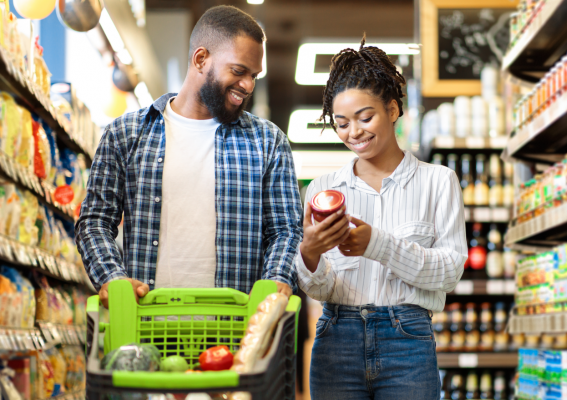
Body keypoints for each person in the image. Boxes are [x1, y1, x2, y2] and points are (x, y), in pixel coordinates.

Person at [76, 6, 303, 308]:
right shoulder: (125, 134)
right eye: (238, 71)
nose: (248, 85)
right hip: (145, 326)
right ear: (200, 59)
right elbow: (94, 222)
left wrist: (277, 279)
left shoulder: (268, 141)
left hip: (237, 332)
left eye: (253, 75)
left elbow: (286, 231)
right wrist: (112, 277)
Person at [297, 37, 467, 399]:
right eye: (341, 123)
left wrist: (378, 244)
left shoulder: (438, 182)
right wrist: (309, 254)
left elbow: (451, 271)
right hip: (336, 339)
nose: (353, 132)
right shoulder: (322, 191)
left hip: (408, 342)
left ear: (392, 110)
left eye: (365, 117)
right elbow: (322, 289)